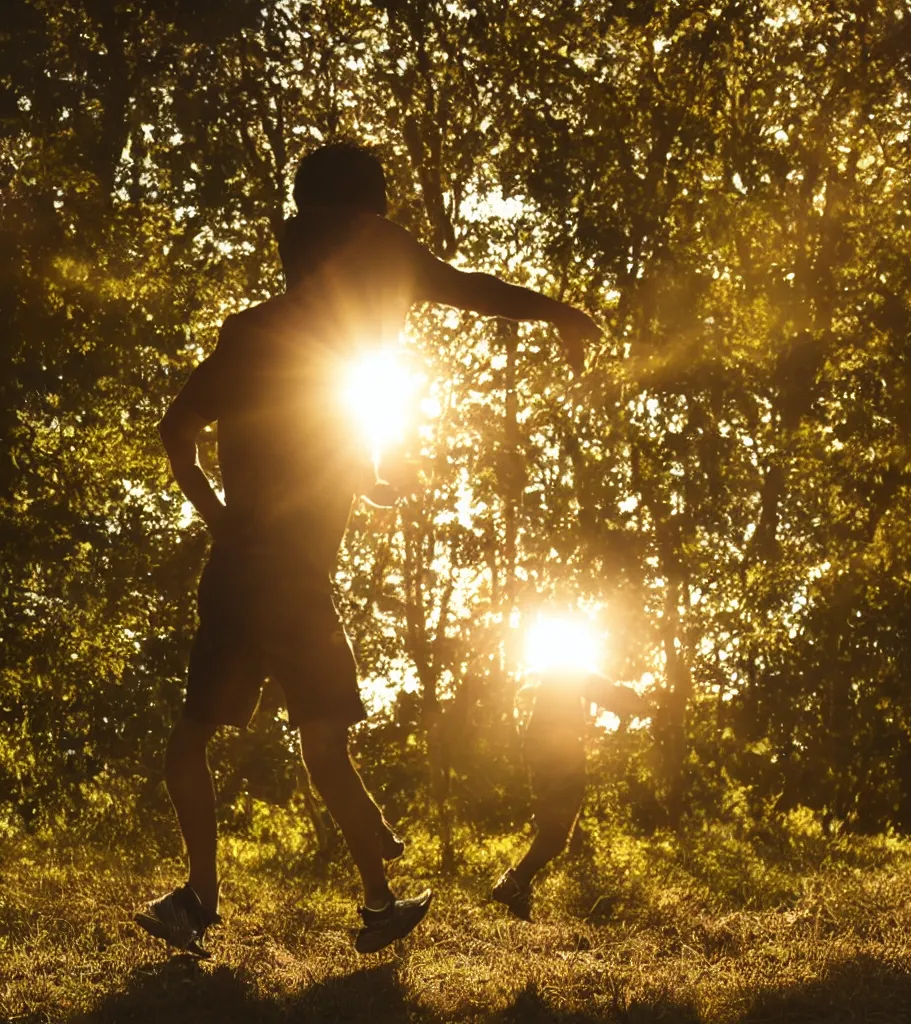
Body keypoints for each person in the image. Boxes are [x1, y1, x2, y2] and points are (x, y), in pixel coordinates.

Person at [134, 141, 601, 957]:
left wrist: (224, 514)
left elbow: (201, 430)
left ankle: (203, 895)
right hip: (289, 581)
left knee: (197, 741)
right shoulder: (366, 279)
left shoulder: (256, 335)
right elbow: (471, 292)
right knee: (322, 745)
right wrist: (558, 312)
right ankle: (370, 900)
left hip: (241, 572)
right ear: (359, 224)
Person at [492, 669, 648, 921]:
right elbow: (604, 692)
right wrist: (641, 702)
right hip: (560, 755)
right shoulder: (569, 669)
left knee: (551, 829)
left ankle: (520, 896)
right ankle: (514, 883)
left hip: (542, 752)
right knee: (555, 834)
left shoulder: (555, 674)